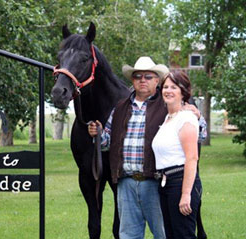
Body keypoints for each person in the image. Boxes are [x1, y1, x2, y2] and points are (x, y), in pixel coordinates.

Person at [88, 56, 206, 239]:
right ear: (132, 80)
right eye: (138, 76)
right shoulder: (119, 108)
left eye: (148, 76)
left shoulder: (167, 103)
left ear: (157, 80)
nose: (142, 80)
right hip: (126, 183)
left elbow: (200, 133)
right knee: (128, 235)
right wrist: (97, 134)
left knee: (163, 233)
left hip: (155, 182)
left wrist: (197, 117)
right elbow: (106, 144)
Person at [152, 71, 202, 238]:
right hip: (165, 184)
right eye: (165, 87)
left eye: (174, 87)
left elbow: (192, 158)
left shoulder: (186, 118)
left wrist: (186, 193)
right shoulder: (168, 119)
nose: (168, 90)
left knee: (183, 235)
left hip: (180, 183)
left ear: (183, 92)